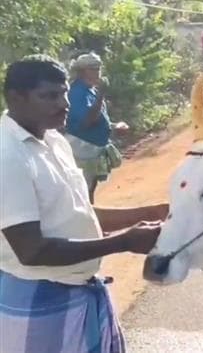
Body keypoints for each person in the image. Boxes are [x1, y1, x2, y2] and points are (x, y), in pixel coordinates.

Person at [1, 55, 168, 353]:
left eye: (63, 93)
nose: (64, 103)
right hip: (39, 300)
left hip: (78, 294)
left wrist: (149, 212)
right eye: (50, 96)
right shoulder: (8, 155)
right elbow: (31, 250)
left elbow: (79, 213)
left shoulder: (54, 140)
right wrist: (123, 242)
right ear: (16, 98)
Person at [65, 53, 128, 205]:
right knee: (83, 191)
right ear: (81, 71)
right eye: (92, 68)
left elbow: (97, 118)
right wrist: (101, 95)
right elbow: (87, 121)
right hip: (81, 150)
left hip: (91, 150)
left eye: (98, 68)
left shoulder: (90, 91)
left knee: (90, 188)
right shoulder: (77, 92)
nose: (97, 71)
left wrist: (113, 126)